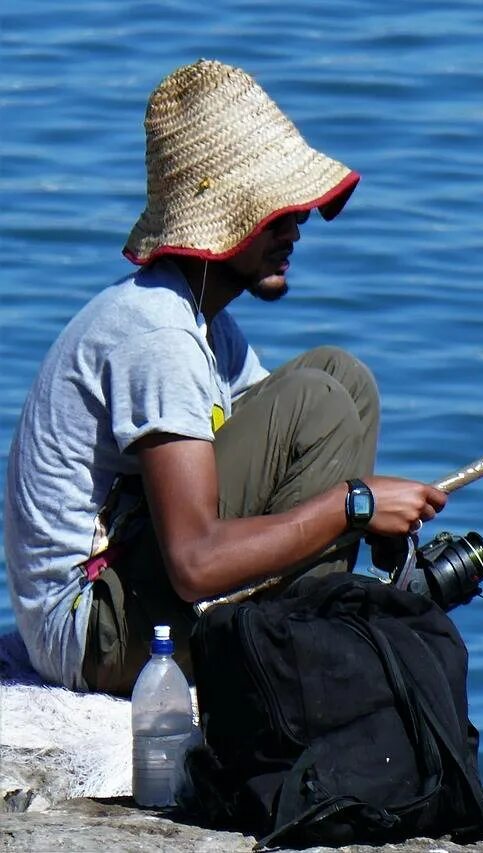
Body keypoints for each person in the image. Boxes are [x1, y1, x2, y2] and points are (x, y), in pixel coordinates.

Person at [3, 59, 447, 696]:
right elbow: (193, 563)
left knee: (341, 377)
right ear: (222, 221)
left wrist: (361, 517)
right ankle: (302, 654)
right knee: (317, 401)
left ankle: (310, 626)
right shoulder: (157, 335)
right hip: (89, 631)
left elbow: (284, 465)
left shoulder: (203, 320)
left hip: (129, 584)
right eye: (276, 213)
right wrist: (354, 505)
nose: (297, 229)